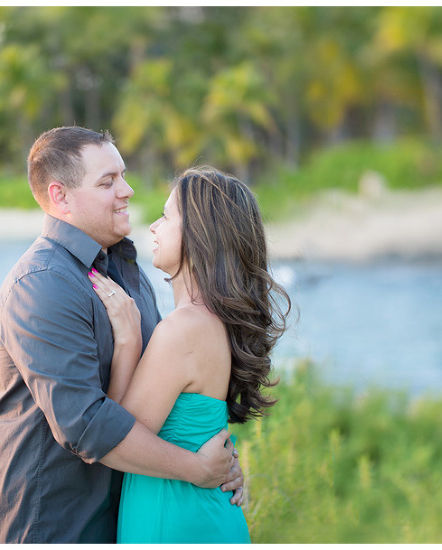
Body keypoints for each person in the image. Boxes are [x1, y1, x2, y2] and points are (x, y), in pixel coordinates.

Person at [0, 127, 244, 544]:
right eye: (107, 182)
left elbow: (169, 393)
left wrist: (221, 461)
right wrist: (196, 468)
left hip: (130, 519)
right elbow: (86, 426)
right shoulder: (43, 284)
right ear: (60, 197)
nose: (126, 190)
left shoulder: (128, 270)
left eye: (122, 175)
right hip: (58, 526)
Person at [88, 167, 291, 543]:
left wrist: (129, 340)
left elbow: (113, 439)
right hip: (196, 510)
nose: (152, 227)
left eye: (166, 216)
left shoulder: (185, 329)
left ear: (199, 235)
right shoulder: (213, 321)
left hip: (176, 518)